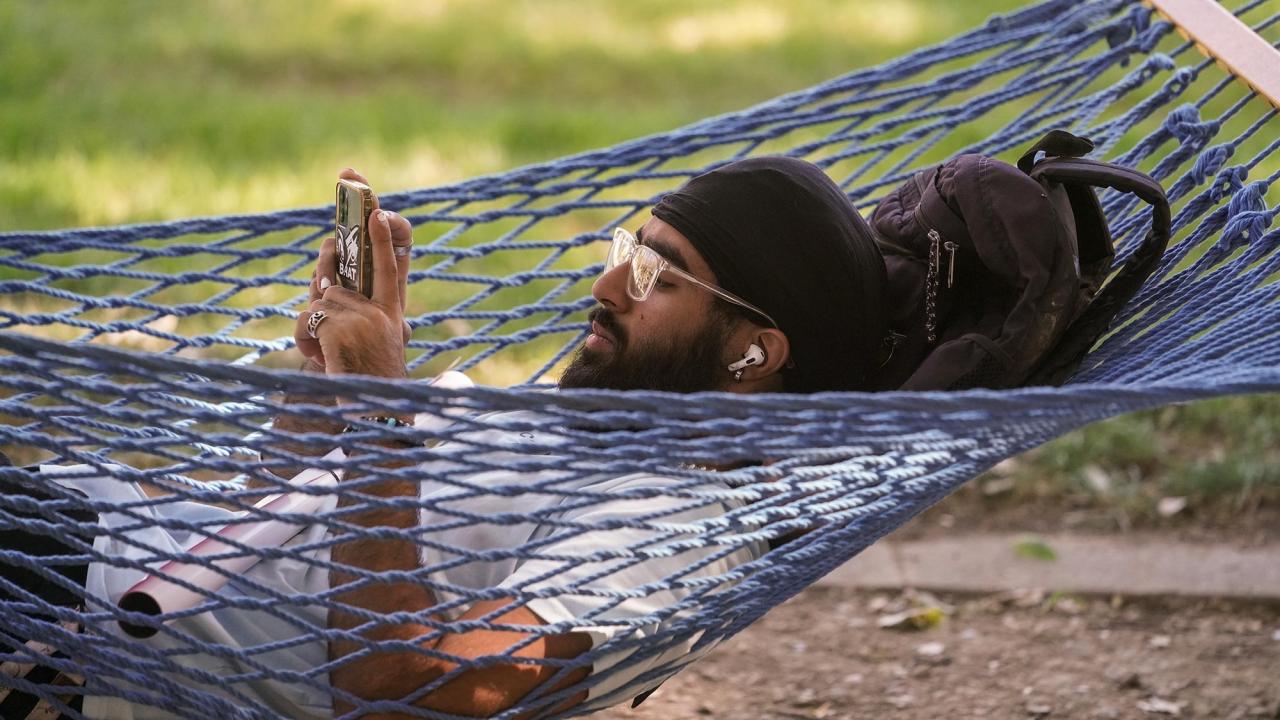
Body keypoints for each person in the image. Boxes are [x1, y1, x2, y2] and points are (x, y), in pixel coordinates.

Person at [0, 157, 889, 719]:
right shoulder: (594, 431)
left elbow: (406, 680)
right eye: (628, 245)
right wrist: (329, 382)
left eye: (657, 273)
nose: (608, 282)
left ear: (754, 352)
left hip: (78, 602)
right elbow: (258, 524)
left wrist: (384, 406)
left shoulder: (677, 537)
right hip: (96, 543)